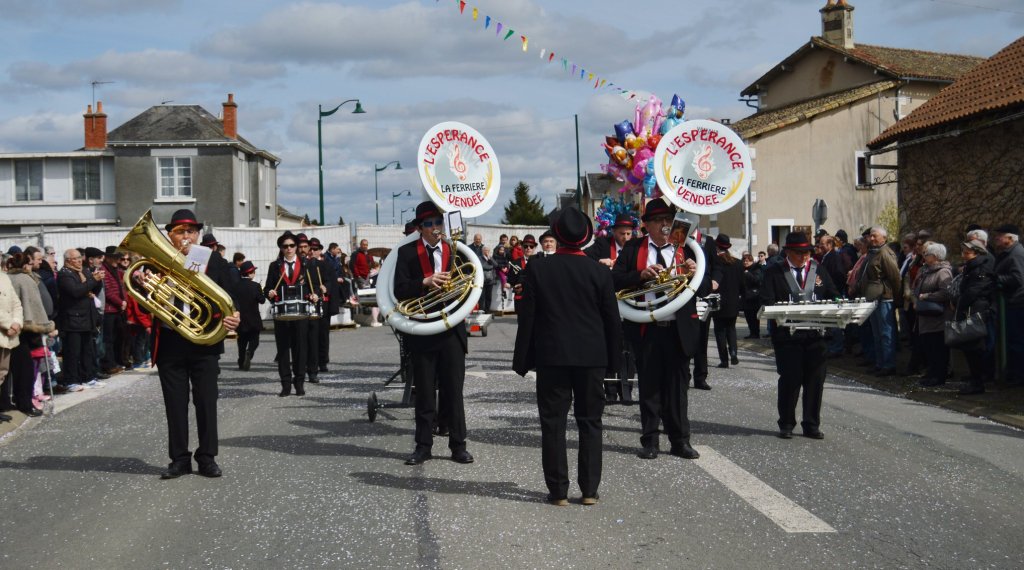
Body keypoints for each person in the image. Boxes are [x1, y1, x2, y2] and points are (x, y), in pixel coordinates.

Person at [513, 207, 621, 506]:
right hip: (591, 356)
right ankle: (589, 490)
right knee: (590, 422)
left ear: (556, 236)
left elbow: (528, 316)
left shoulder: (538, 268)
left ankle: (558, 491)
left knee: (553, 423)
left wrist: (523, 357)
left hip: (553, 355)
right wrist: (614, 361)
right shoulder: (599, 271)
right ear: (585, 238)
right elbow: (611, 319)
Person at [611, 198, 711, 460]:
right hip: (648, 328)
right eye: (658, 220)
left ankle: (680, 441)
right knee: (650, 386)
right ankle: (651, 441)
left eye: (668, 219)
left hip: (679, 327)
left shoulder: (687, 248)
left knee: (678, 388)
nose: (665, 225)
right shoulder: (634, 248)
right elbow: (614, 280)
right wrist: (640, 275)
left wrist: (693, 272)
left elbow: (705, 287)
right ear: (647, 225)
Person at [150, 209, 240, 480]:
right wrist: (145, 283)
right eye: (180, 231)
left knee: (206, 401)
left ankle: (207, 457)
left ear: (198, 234)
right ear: (170, 235)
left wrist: (235, 314)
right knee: (175, 404)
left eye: (190, 231)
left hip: (205, 342)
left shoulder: (212, 259)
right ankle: (179, 459)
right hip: (170, 340)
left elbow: (234, 291)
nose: (186, 236)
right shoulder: (156, 260)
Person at [394, 201, 474, 466]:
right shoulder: (406, 253)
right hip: (423, 330)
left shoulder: (457, 250)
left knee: (454, 391)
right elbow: (400, 290)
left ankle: (458, 446)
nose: (435, 228)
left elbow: (472, 283)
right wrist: (425, 282)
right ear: (420, 228)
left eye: (438, 223)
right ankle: (423, 446)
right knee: (425, 392)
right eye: (428, 224)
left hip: (452, 330)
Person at [760, 232, 839, 439]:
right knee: (790, 380)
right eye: (799, 252)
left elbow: (832, 292)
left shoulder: (818, 268)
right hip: (788, 336)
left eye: (807, 252)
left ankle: (811, 424)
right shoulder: (773, 272)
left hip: (816, 335)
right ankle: (786, 423)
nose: (804, 256)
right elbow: (766, 298)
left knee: (815, 381)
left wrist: (840, 303)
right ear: (788, 252)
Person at [265, 231, 318, 396]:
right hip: (282, 313)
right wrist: (270, 293)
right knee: (282, 350)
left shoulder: (306, 264)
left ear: (296, 247)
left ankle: (299, 383)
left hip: (301, 313)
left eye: (291, 245)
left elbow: (314, 286)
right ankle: (285, 385)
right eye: (285, 246)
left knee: (300, 349)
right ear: (281, 248)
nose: (288, 249)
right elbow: (267, 288)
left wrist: (315, 294)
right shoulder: (275, 266)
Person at [3, 253, 57, 417]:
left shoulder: (8, 278)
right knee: (23, 370)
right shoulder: (25, 279)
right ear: (26, 265)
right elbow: (32, 305)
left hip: (15, 326)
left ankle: (5, 402)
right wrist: (44, 326)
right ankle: (24, 403)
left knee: (7, 371)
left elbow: (19, 304)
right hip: (21, 329)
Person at [857, 227, 902, 376]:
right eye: (870, 236)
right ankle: (880, 363)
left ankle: (888, 364)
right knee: (877, 333)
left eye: (875, 236)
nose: (871, 238)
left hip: (884, 298)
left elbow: (895, 277)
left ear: (884, 237)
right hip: (873, 298)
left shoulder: (885, 253)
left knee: (886, 333)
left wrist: (895, 297)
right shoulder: (873, 252)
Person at [57, 248, 102, 392]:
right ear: (68, 260)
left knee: (87, 350)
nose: (79, 260)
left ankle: (88, 377)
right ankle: (71, 380)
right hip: (72, 320)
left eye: (79, 257)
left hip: (86, 318)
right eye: (76, 258)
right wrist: (92, 280)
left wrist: (97, 279)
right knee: (72, 352)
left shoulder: (84, 271)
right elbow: (76, 291)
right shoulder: (65, 274)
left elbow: (92, 289)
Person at [954, 239, 994, 395]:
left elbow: (973, 291)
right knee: (969, 347)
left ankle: (978, 382)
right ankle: (974, 378)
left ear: (977, 253)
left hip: (976, 310)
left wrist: (960, 302)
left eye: (967, 252)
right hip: (968, 310)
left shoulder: (981, 268)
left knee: (975, 347)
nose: (964, 255)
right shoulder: (970, 268)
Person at [912, 242, 953, 387]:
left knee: (938, 348)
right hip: (925, 316)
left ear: (935, 257)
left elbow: (946, 292)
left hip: (938, 317)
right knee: (928, 347)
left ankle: (939, 376)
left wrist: (927, 296)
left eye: (927, 254)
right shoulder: (926, 270)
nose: (924, 256)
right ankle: (931, 373)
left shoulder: (943, 272)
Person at [992, 223, 1024, 385]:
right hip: (1009, 303)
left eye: (1000, 235)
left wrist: (996, 279)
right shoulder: (1006, 253)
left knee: (1016, 341)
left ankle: (1018, 376)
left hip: (1015, 303)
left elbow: (1018, 278)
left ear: (1010, 238)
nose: (996, 238)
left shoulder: (1016, 254)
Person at [712, 234, 744, 368]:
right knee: (731, 328)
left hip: (718, 300)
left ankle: (724, 360)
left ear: (717, 247)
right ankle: (734, 352)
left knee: (720, 331)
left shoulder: (715, 262)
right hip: (733, 301)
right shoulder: (737, 263)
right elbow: (743, 284)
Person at [309, 237, 339, 373]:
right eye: (311, 249)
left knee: (323, 334)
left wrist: (326, 288)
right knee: (310, 335)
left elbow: (332, 284)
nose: (312, 251)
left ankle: (323, 361)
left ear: (320, 250)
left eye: (315, 249)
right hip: (309, 302)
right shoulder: (306, 264)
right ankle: (311, 361)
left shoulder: (327, 265)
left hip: (324, 304)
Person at [232, 261, 265, 371]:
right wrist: (262, 291)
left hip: (240, 318)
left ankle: (241, 362)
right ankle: (249, 352)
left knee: (241, 342)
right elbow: (262, 300)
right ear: (250, 273)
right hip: (254, 319)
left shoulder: (236, 286)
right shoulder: (255, 286)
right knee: (254, 340)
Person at [100, 246, 127, 375]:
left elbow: (122, 287)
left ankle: (117, 362)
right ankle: (109, 364)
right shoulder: (103, 270)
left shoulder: (115, 270)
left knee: (118, 338)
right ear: (109, 258)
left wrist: (124, 301)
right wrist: (121, 302)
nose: (118, 260)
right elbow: (108, 291)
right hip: (109, 310)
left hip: (117, 310)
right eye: (116, 257)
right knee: (108, 340)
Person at [0, 267, 22, 423]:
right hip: (4, 329)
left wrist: (17, 322)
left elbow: (16, 303)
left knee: (2, 372)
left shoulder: (4, 277)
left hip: (9, 334)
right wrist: (9, 324)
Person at [741, 252, 763, 339]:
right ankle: (752, 332)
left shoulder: (756, 269)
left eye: (747, 261)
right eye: (744, 261)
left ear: (751, 261)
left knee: (754, 316)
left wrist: (747, 274)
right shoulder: (742, 269)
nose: (745, 263)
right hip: (745, 296)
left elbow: (757, 280)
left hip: (754, 297)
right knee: (748, 316)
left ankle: (755, 333)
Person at [479, 246, 496, 314]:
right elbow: (483, 266)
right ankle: (481, 309)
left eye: (488, 250)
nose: (487, 252)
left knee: (489, 296)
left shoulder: (490, 258)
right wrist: (490, 266)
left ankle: (487, 310)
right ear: (483, 251)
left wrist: (490, 259)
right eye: (485, 250)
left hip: (490, 280)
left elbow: (496, 265)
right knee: (482, 296)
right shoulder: (480, 258)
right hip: (482, 280)